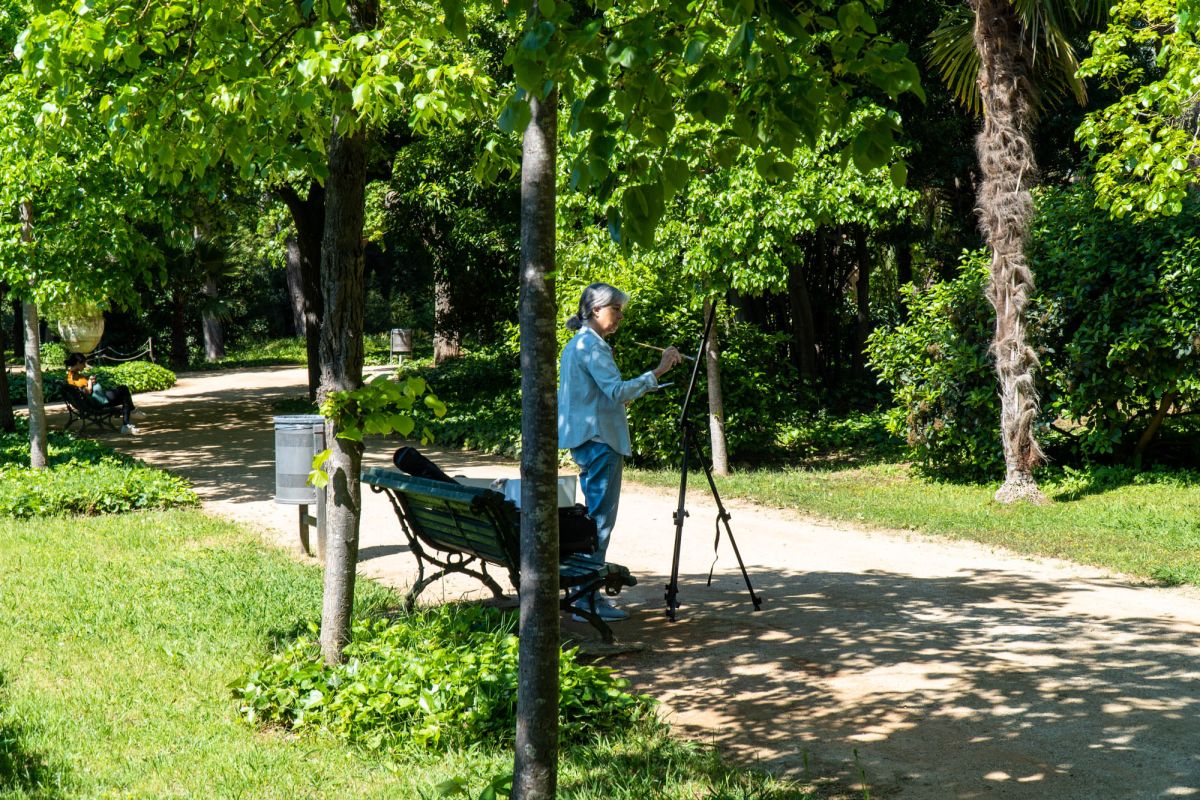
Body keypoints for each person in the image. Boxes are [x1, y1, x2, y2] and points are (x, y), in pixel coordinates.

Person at [558, 282, 682, 621]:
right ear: (596, 310)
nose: (620, 317)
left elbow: (604, 395)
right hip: (600, 441)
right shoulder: (592, 347)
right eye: (616, 310)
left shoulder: (577, 344)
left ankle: (585, 595)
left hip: (586, 440)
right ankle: (586, 602)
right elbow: (616, 392)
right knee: (600, 521)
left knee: (593, 519)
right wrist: (659, 371)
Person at [65, 352, 142, 434]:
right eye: (84, 363)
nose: (85, 366)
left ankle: (126, 425)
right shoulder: (75, 377)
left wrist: (90, 381)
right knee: (123, 389)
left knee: (124, 397)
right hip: (96, 402)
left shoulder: (71, 375)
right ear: (78, 363)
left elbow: (83, 389)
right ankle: (131, 413)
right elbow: (88, 391)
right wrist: (90, 382)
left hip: (92, 401)